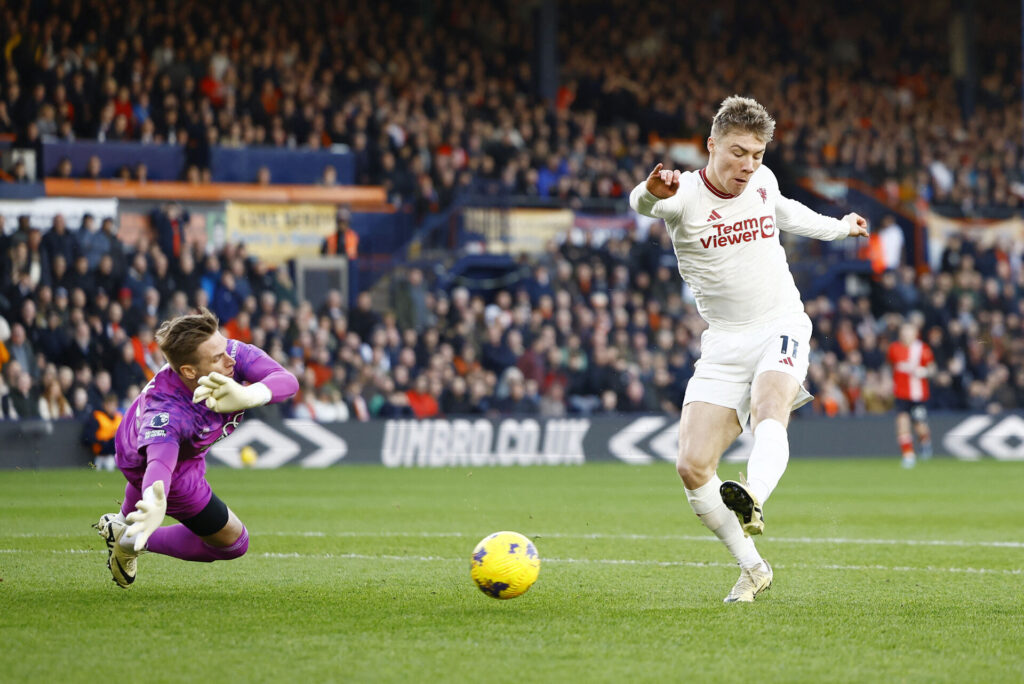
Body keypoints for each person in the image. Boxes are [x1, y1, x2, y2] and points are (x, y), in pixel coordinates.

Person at [629, 95, 869, 603]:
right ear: (711, 145)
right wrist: (648, 192)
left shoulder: (763, 181)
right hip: (723, 341)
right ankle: (753, 567)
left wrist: (841, 227)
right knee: (692, 467)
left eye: (757, 154)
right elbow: (645, 205)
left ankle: (754, 493)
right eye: (738, 152)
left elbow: (787, 212)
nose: (748, 165)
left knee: (770, 405)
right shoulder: (684, 195)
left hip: (780, 322)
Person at [93, 308, 299, 588]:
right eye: (217, 358)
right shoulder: (169, 412)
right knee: (235, 542)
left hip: (175, 445)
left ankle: (123, 526)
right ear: (189, 371)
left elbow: (287, 381)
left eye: (225, 347)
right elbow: (160, 464)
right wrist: (156, 501)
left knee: (178, 462)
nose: (230, 361)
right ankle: (130, 540)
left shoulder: (229, 354)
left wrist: (250, 394)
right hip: (156, 459)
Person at [887, 321, 934, 468]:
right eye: (904, 331)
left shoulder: (922, 349)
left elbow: (932, 368)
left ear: (915, 334)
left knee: (920, 426)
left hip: (918, 395)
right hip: (901, 394)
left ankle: (925, 442)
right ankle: (908, 455)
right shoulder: (894, 348)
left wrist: (924, 372)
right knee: (902, 423)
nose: (906, 335)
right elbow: (890, 366)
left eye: (909, 331)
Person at [82, 392, 122, 471]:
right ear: (104, 405)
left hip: (115, 453)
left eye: (114, 405)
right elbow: (87, 437)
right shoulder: (97, 417)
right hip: (100, 453)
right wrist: (101, 442)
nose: (112, 408)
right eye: (110, 405)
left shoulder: (119, 417)